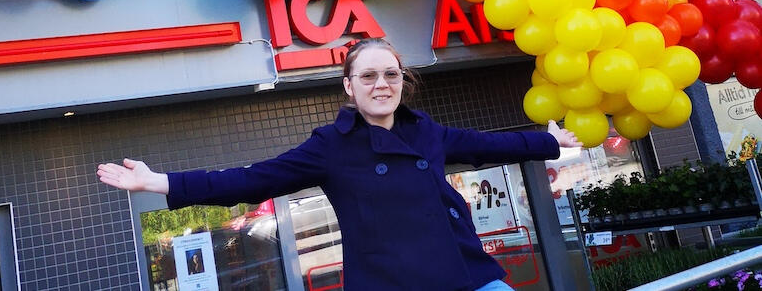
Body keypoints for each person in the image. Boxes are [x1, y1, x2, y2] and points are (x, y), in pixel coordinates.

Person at [98, 38, 581, 291]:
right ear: (349, 86)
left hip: (471, 276)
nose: (381, 84)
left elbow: (484, 146)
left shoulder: (424, 130)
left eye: (391, 74)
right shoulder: (331, 146)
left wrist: (548, 142)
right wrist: (157, 181)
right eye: (368, 75)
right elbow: (251, 180)